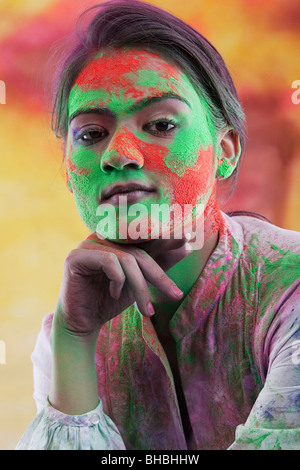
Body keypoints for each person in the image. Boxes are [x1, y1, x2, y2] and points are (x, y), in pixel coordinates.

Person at [16, 0, 300, 450]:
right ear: (70, 173)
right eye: (91, 134)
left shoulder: (291, 289)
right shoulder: (65, 335)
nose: (118, 153)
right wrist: (74, 340)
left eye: (161, 123)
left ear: (224, 152)